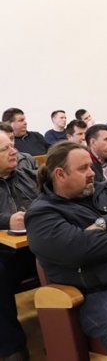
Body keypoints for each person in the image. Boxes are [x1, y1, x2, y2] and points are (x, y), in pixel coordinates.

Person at [25, 142, 107, 360]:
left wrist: (105, 223)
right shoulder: (42, 214)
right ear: (60, 174)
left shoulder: (103, 189)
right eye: (83, 168)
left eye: (90, 166)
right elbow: (82, 249)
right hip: (105, 293)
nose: (92, 173)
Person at [0, 128, 39, 361]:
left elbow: (48, 197)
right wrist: (6, 220)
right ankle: (11, 348)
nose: (14, 151)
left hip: (38, 245)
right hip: (6, 254)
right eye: (5, 149)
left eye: (12, 145)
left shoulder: (26, 172)